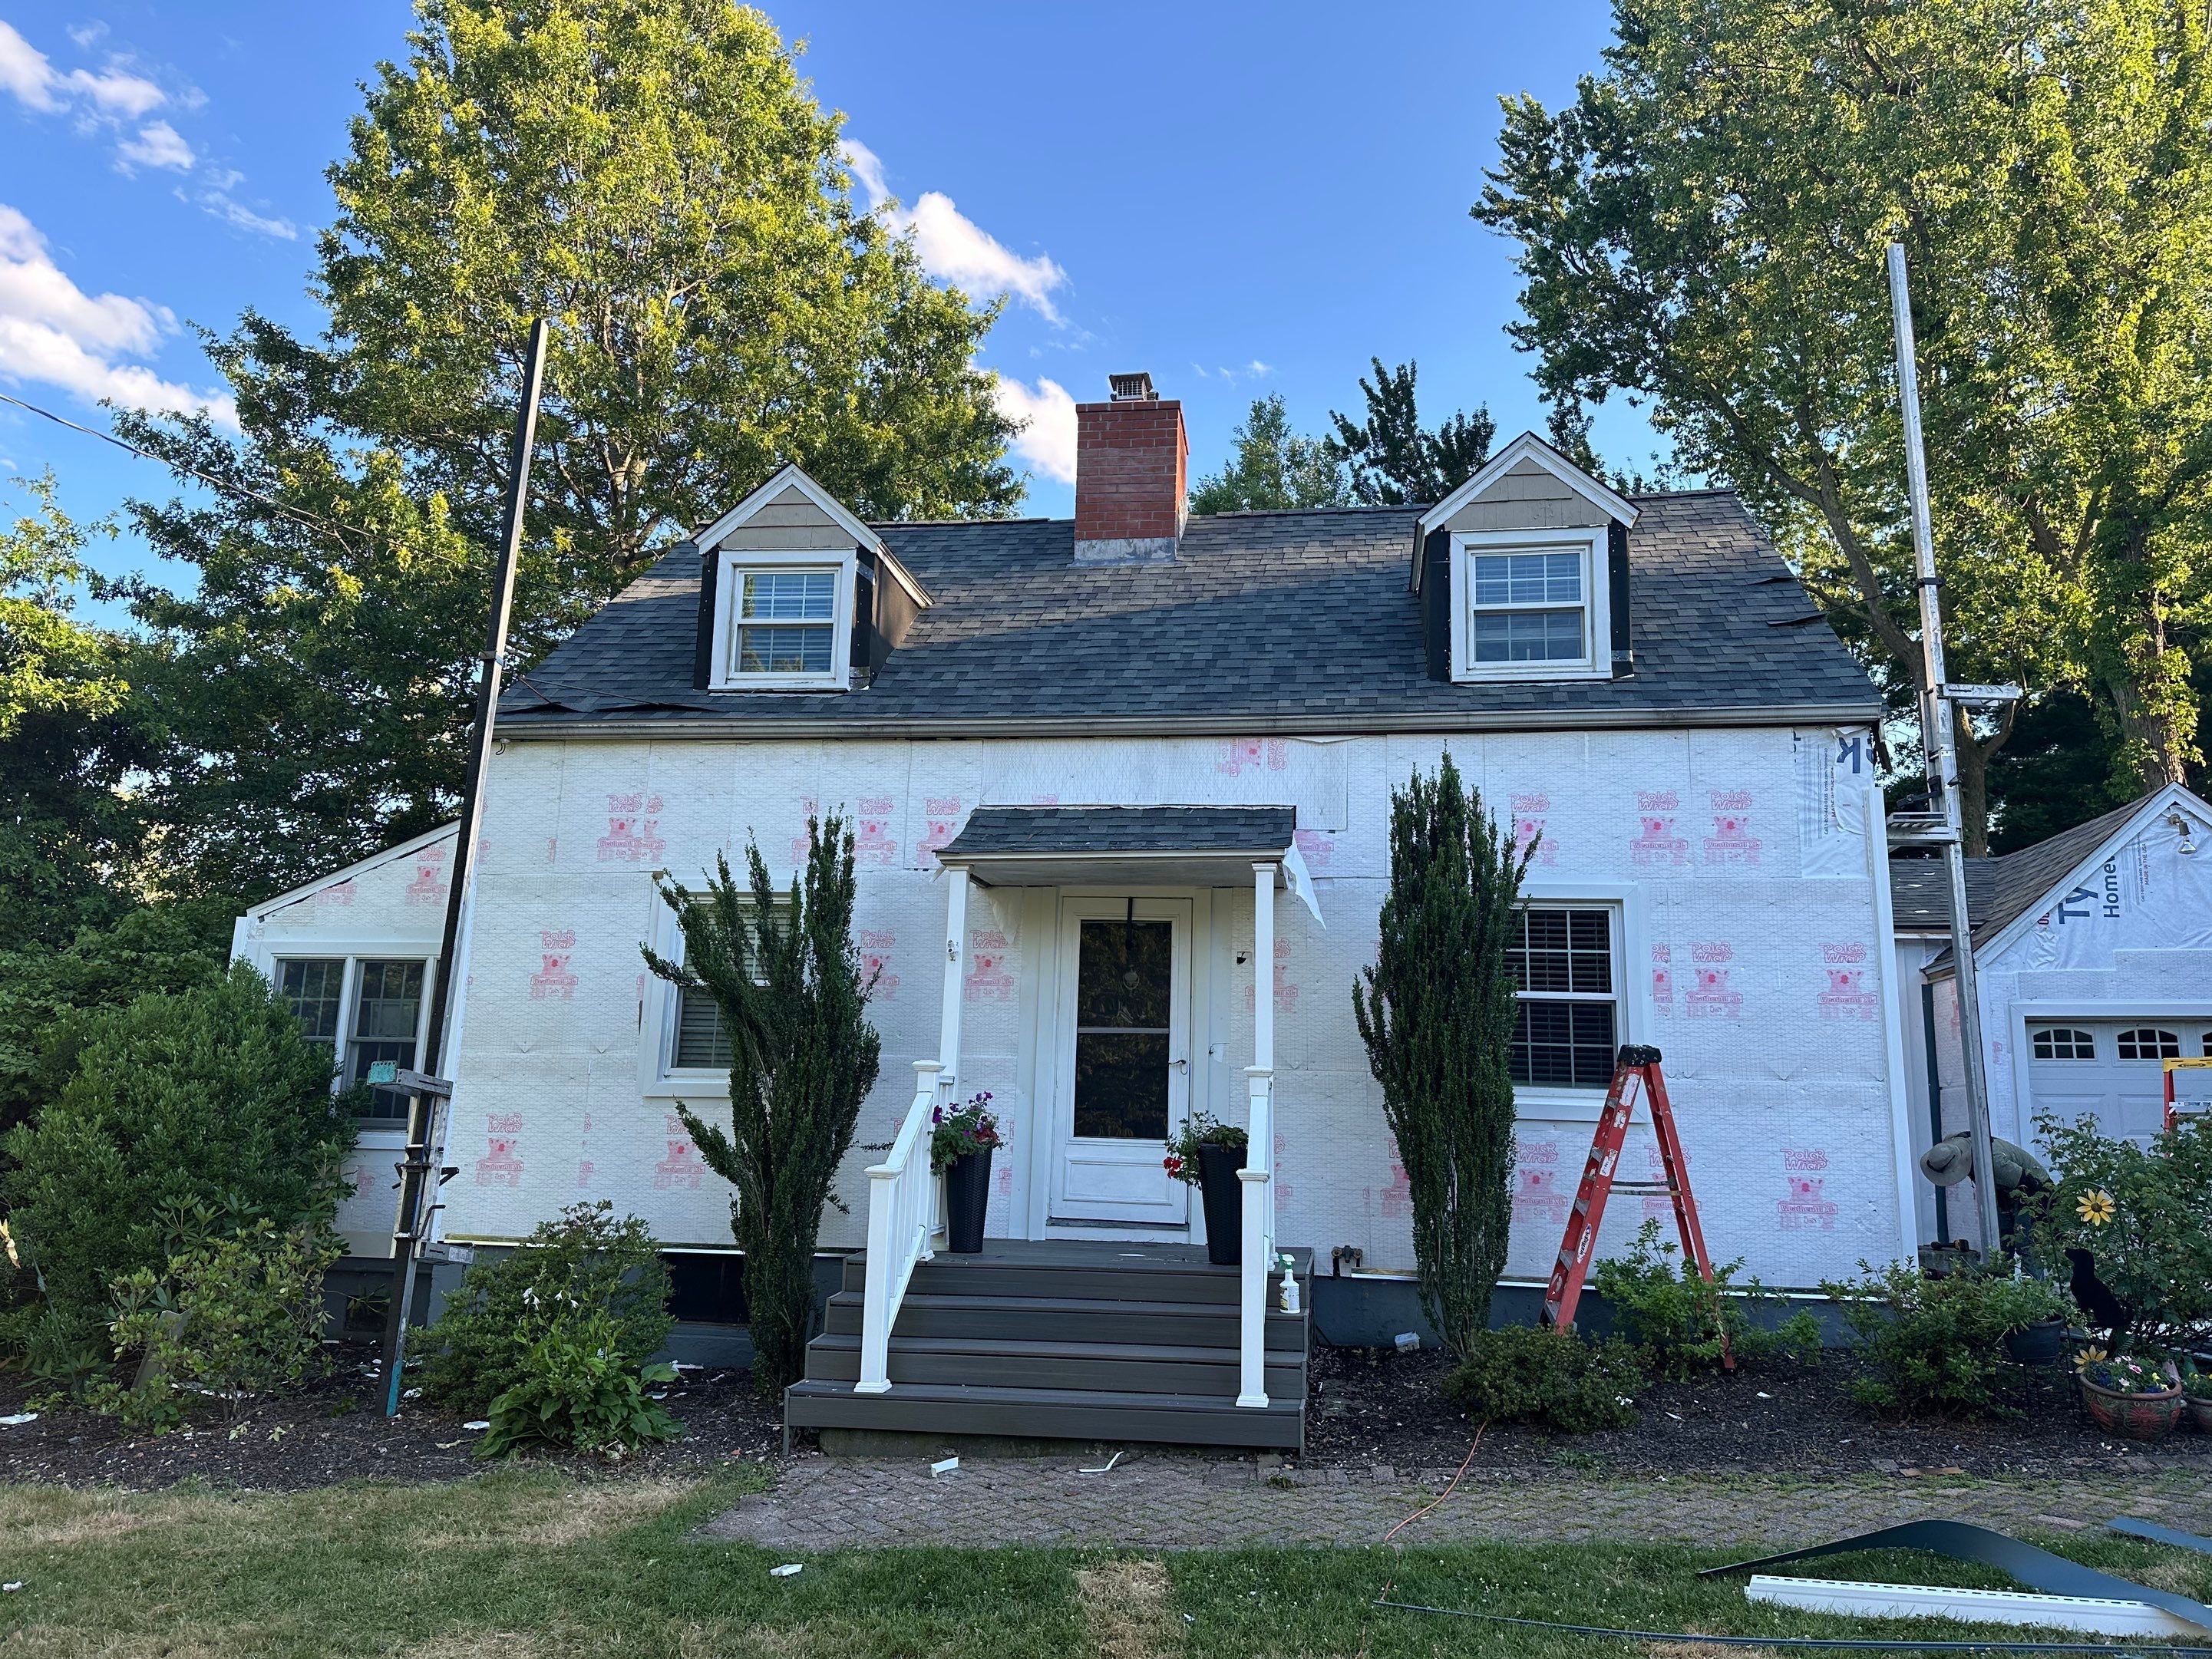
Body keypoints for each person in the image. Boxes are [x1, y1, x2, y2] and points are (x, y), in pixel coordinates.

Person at [1920, 1132, 2050, 1259]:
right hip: (2004, 1190)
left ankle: (2032, 1280)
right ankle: (2001, 1278)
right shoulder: (1952, 1145)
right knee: (2001, 1243)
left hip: (2033, 1189)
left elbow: (2030, 1184)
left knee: (2026, 1243)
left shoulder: (1995, 1163)